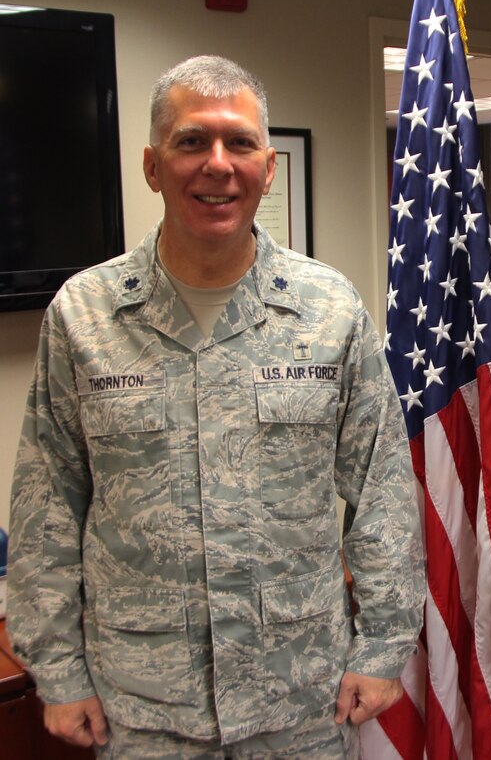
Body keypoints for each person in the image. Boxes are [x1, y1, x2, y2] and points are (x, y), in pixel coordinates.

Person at [7, 55, 424, 758]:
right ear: (151, 164)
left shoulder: (329, 310)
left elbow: (382, 490)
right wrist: (57, 670)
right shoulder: (85, 315)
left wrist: (383, 647)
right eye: (191, 141)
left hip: (302, 699)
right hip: (141, 708)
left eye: (240, 144)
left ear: (268, 168)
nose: (217, 164)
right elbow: (47, 505)